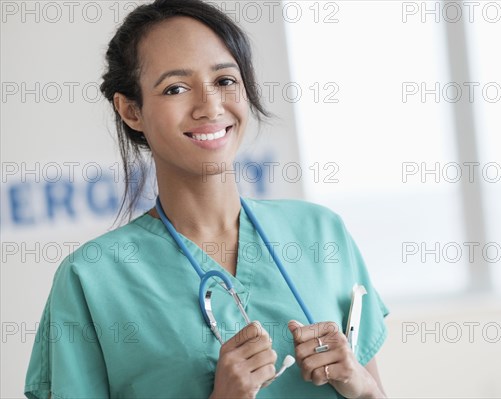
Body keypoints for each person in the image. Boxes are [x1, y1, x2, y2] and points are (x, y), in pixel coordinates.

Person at [24, 1, 389, 398]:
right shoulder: (91, 278)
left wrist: (361, 386)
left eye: (225, 80)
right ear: (131, 110)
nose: (210, 105)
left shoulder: (321, 232)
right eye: (176, 88)